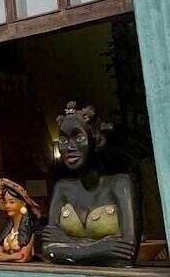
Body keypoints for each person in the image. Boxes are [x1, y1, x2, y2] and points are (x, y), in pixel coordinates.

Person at [42, 101, 139, 266]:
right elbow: (48, 250)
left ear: (98, 141)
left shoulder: (120, 184)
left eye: (79, 137)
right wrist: (102, 247)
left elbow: (127, 252)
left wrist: (66, 242)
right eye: (63, 140)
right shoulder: (62, 188)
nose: (70, 146)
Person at [0, 178, 41, 263]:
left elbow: (23, 257)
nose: (7, 205)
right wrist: (11, 257)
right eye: (5, 202)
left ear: (23, 203)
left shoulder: (30, 230)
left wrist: (1, 256)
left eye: (12, 202)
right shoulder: (8, 230)